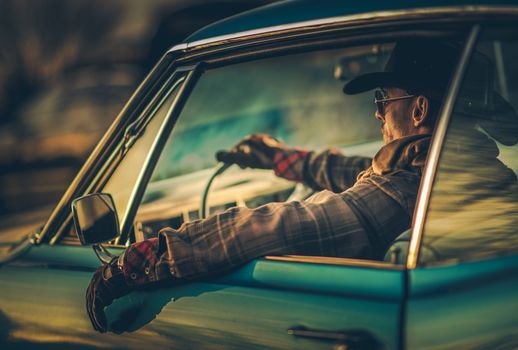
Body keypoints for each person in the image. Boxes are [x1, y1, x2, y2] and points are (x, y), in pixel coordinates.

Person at [85, 39, 461, 332]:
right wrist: (280, 159)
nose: (378, 112)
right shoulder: (456, 170)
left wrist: (137, 261)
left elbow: (281, 225)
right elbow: (360, 173)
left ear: (419, 110)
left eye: (384, 99)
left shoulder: (408, 189)